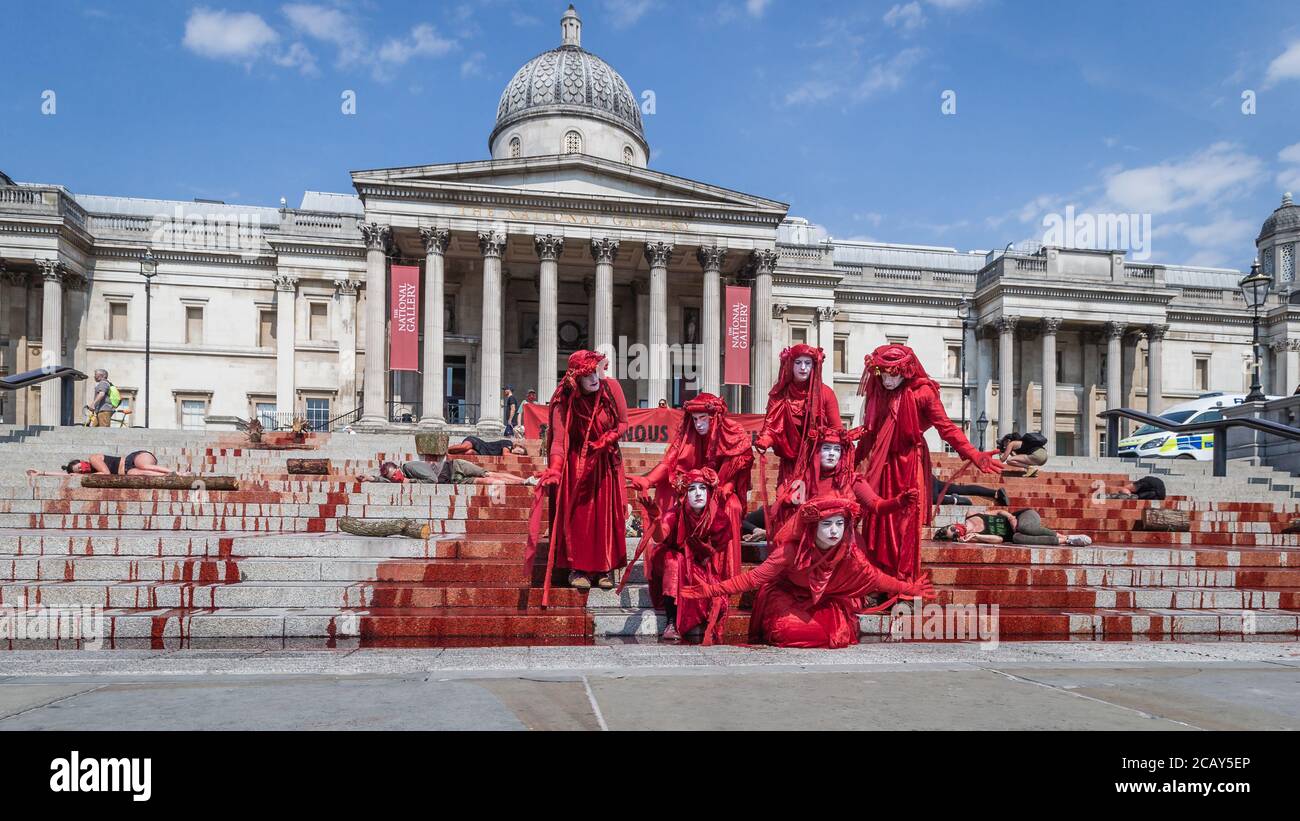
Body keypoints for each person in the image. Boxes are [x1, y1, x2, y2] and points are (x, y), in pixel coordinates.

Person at [679, 496, 934, 649]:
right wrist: (711, 590)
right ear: (813, 526)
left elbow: (876, 578)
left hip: (823, 601)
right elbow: (753, 578)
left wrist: (909, 589)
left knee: (839, 635)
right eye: (827, 524)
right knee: (790, 630)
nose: (834, 531)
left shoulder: (848, 552)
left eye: (839, 524)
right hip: (787, 596)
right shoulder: (791, 551)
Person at [855, 343, 1002, 581]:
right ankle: (878, 579)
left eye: (893, 374)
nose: (887, 381)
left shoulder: (923, 393)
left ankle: (903, 581)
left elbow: (947, 428)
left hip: (909, 464)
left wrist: (973, 453)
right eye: (882, 374)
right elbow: (870, 433)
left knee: (905, 523)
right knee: (878, 521)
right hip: (882, 465)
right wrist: (851, 461)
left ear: (905, 370)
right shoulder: (878, 393)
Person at [528, 350, 630, 593]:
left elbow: (623, 423)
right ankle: (579, 568)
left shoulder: (612, 388)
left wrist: (608, 438)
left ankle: (605, 568)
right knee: (579, 517)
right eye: (588, 375)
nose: (596, 378)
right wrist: (554, 468)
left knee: (605, 515)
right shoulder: (563, 399)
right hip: (576, 463)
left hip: (604, 461)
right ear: (576, 378)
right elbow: (559, 440)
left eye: (597, 371)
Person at [637, 468, 741, 643]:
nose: (698, 493)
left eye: (702, 488)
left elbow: (714, 551)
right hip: (670, 561)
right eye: (692, 489)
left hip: (697, 565)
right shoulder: (675, 513)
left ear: (709, 492)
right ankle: (671, 621)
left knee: (717, 601)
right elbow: (660, 536)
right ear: (684, 494)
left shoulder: (719, 518)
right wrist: (655, 518)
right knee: (674, 561)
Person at [755, 344, 843, 538]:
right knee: (786, 502)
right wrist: (764, 441)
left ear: (814, 366)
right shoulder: (780, 394)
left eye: (808, 363)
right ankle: (787, 553)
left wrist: (822, 436)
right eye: (798, 362)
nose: (803, 368)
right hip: (791, 463)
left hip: (816, 465)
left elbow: (837, 430)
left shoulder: (825, 393)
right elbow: (771, 427)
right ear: (790, 364)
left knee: (812, 507)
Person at [629, 392, 753, 515]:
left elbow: (738, 464)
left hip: (721, 489)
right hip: (694, 489)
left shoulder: (733, 434)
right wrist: (649, 480)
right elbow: (669, 462)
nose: (698, 424)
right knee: (669, 489)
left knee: (733, 507)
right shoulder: (687, 435)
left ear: (714, 417)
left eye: (703, 418)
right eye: (695, 419)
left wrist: (729, 485)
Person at [933, 508, 1093, 546]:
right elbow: (1000, 539)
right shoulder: (974, 537)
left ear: (952, 524)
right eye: (953, 535)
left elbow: (1000, 511)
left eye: (952, 529)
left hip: (1024, 517)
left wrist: (1011, 518)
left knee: (1022, 529)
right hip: (1018, 534)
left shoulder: (971, 513)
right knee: (1016, 538)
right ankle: (1066, 541)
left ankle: (1064, 536)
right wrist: (977, 536)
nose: (956, 531)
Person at [371, 458, 530, 486]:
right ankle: (521, 483)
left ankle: (524, 481)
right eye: (393, 478)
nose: (396, 478)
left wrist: (410, 481)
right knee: (486, 481)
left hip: (455, 467)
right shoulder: (396, 477)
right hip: (453, 480)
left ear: (398, 469)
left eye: (395, 474)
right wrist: (372, 478)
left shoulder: (410, 467)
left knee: (489, 474)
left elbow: (432, 479)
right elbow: (387, 479)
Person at [59, 451, 179, 477]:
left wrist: (82, 476)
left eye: (79, 467)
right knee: (141, 473)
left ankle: (179, 473)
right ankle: (169, 476)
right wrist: (43, 472)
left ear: (81, 461)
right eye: (79, 471)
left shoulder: (93, 458)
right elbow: (67, 476)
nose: (81, 470)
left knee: (144, 466)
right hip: (127, 471)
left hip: (133, 459)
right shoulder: (94, 474)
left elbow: (106, 473)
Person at [932, 472, 1008, 506]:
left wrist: (954, 500)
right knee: (960, 489)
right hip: (928, 479)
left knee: (934, 498)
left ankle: (956, 499)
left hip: (926, 481)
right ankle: (996, 493)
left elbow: (934, 499)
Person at [448, 434, 528, 456]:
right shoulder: (508, 443)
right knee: (465, 447)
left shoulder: (510, 450)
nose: (518, 453)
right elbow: (505, 454)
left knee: (468, 453)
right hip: (479, 443)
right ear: (518, 446)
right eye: (519, 451)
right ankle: (446, 449)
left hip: (482, 452)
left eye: (519, 454)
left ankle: (449, 453)